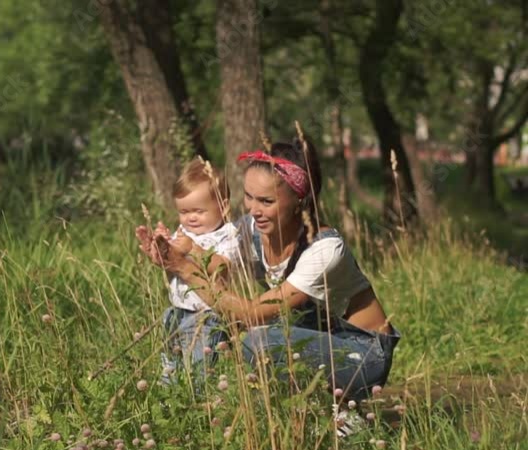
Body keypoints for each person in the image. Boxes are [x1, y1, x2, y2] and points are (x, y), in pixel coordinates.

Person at [137, 135, 401, 433]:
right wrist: (172, 250)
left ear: (299, 200)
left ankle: (345, 411)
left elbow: (251, 314)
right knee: (221, 324)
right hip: (314, 333)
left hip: (361, 353)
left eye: (266, 201)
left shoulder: (325, 249)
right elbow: (214, 257)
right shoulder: (252, 229)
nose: (252, 209)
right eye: (248, 197)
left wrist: (184, 268)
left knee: (257, 340)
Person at [146, 157, 241, 386]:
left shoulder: (227, 234)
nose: (190, 218)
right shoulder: (183, 232)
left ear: (224, 206)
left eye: (198, 210)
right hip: (176, 312)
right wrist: (163, 245)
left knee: (198, 371)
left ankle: (197, 403)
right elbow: (173, 265)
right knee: (170, 366)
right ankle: (169, 401)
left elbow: (222, 267)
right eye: (184, 211)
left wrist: (193, 249)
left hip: (206, 315)